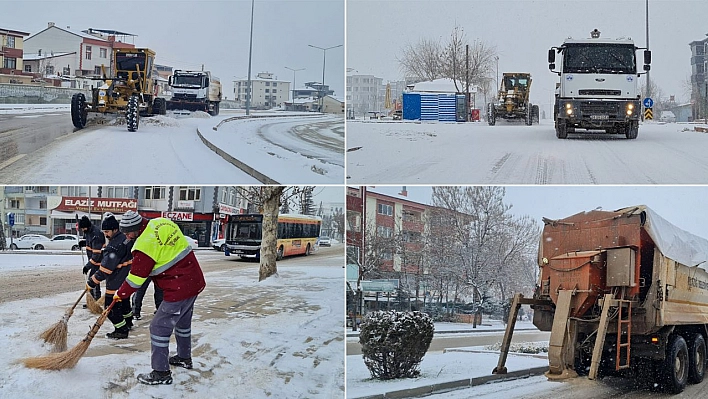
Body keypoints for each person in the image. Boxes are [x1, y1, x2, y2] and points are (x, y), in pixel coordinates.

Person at [115, 210, 206, 385]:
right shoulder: (162, 222)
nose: (126, 236)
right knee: (182, 323)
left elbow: (136, 280)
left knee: (158, 327)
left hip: (179, 287)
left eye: (128, 232)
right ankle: (184, 358)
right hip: (194, 281)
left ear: (135, 228)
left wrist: (120, 294)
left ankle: (161, 372)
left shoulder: (144, 245)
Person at [86, 214, 133, 339]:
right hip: (125, 280)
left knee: (110, 308)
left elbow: (105, 270)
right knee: (124, 303)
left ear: (115, 230)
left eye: (107, 231)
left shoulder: (113, 247)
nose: (105, 234)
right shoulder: (125, 239)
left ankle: (121, 330)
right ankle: (128, 322)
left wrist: (92, 282)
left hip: (115, 282)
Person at [78, 215, 105, 302]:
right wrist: (84, 243)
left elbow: (96, 254)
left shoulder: (96, 234)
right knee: (93, 281)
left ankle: (96, 301)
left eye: (83, 228)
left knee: (93, 281)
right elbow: (90, 243)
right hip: (94, 262)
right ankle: (93, 301)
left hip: (99, 261)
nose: (82, 230)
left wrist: (87, 266)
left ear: (87, 226)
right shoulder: (89, 232)